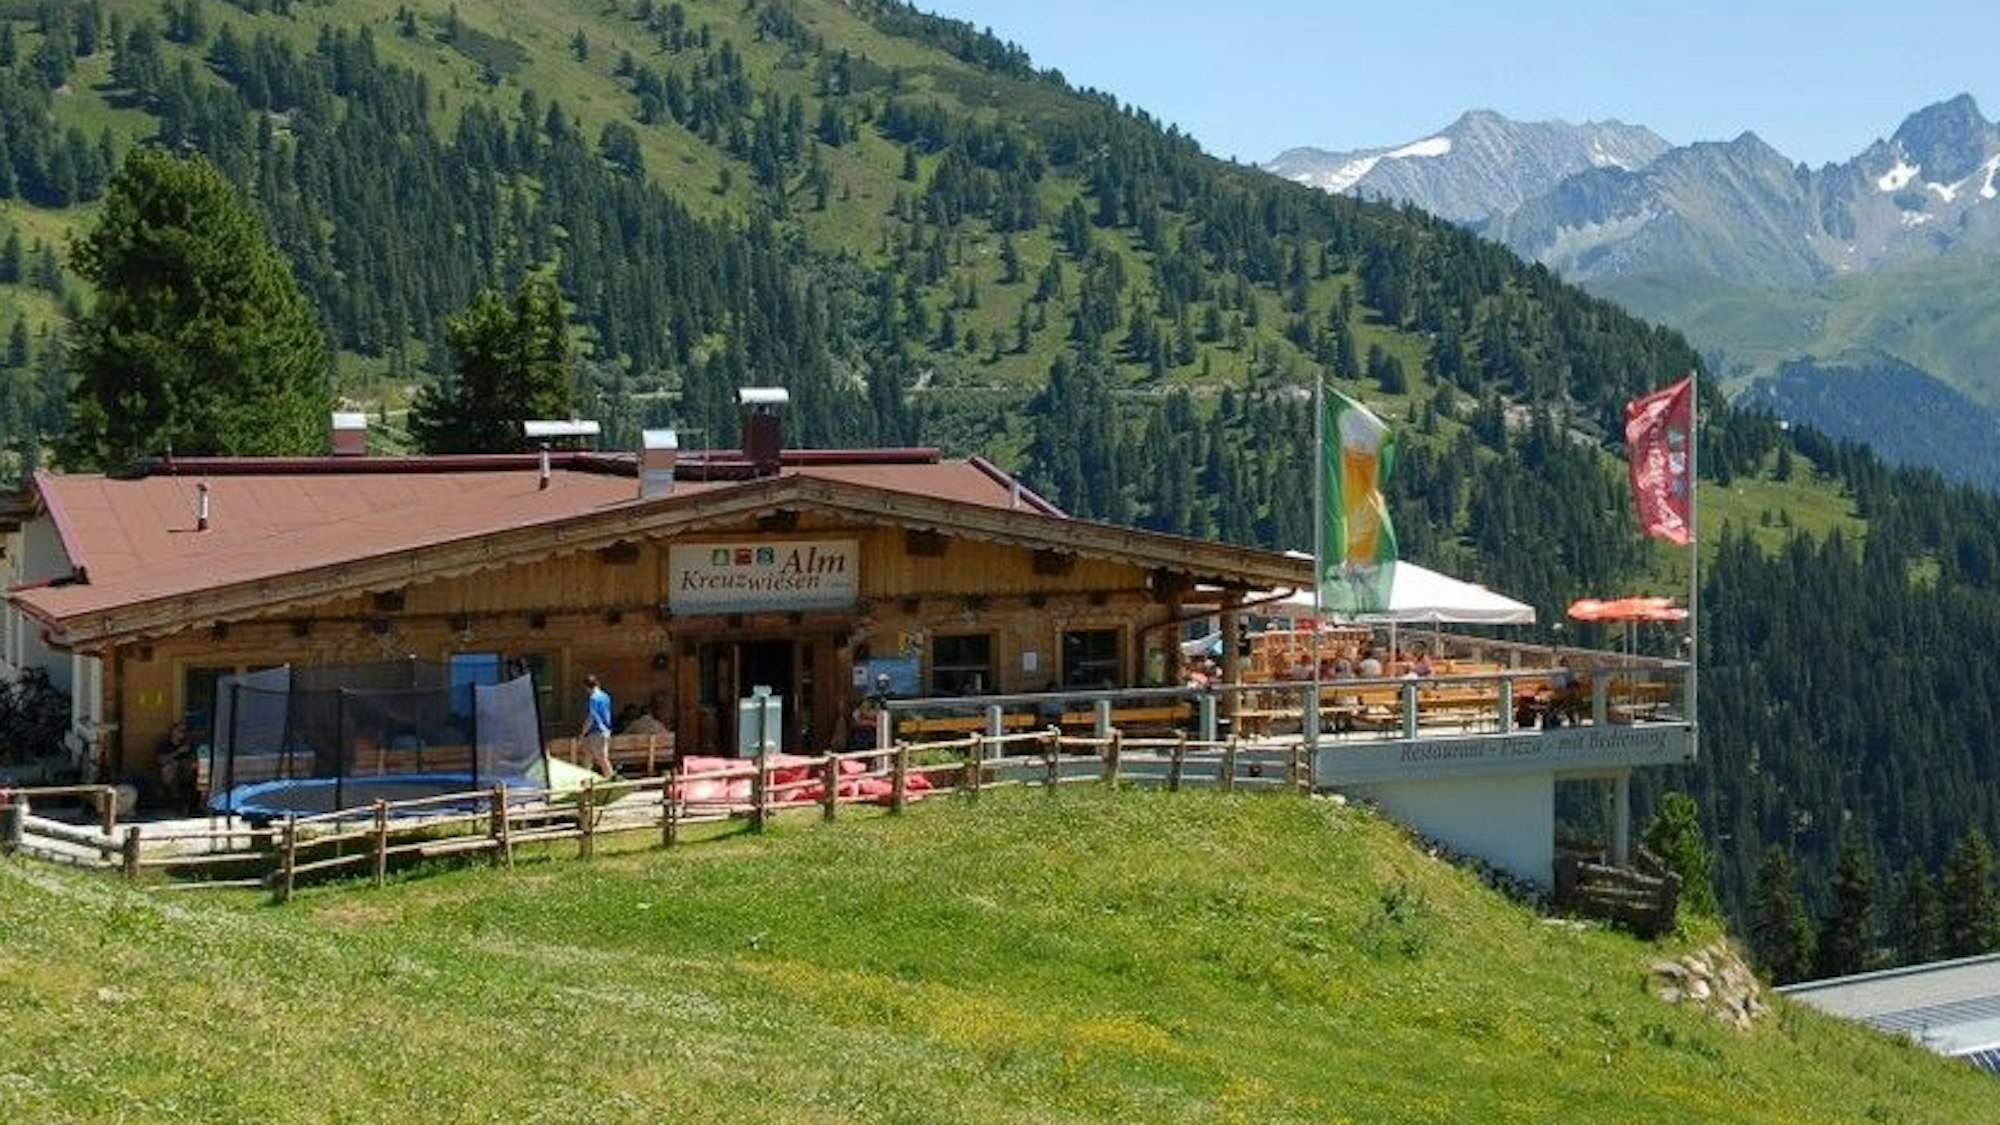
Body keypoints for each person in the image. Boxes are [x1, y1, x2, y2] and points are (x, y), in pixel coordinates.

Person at [157, 722, 200, 815]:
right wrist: (178, 752)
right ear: (173, 731)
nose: (182, 733)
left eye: (184, 731)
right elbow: (161, 760)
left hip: (186, 773)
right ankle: (178, 804)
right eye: (180, 730)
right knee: (173, 767)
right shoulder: (165, 744)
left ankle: (191, 806)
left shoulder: (188, 745)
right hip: (170, 774)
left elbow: (194, 760)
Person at [579, 674, 615, 776]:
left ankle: (612, 780)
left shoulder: (593, 699)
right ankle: (586, 781)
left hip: (596, 731)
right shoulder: (605, 696)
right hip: (606, 730)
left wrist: (583, 733)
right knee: (587, 757)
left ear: (587, 687)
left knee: (602, 759)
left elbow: (591, 717)